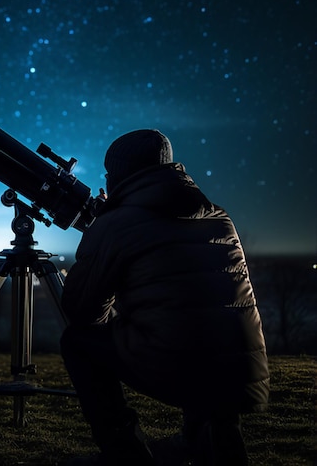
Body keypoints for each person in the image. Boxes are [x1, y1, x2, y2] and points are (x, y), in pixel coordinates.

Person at [60, 129, 269, 465]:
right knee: (200, 327)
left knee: (78, 341)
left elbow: (82, 311)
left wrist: (100, 237)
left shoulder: (115, 223)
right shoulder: (219, 217)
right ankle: (212, 439)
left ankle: (125, 453)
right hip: (243, 369)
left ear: (119, 176)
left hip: (181, 364)